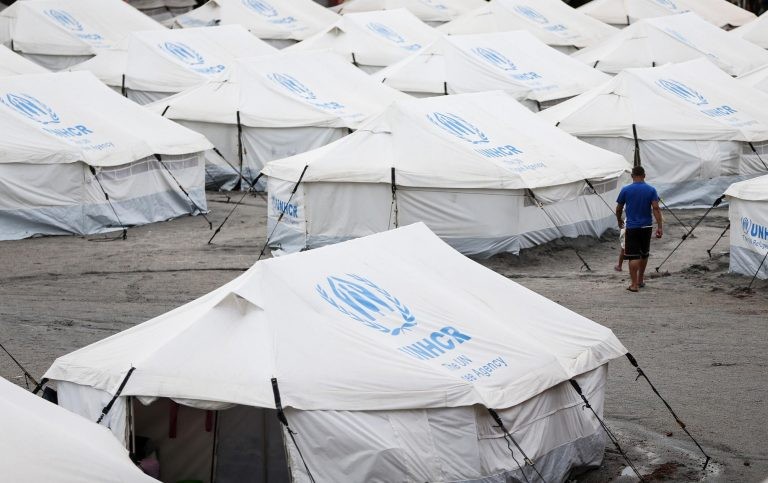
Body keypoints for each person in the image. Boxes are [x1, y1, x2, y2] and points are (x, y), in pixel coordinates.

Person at [615, 166, 663, 292]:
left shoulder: (626, 190)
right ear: (644, 175)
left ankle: (634, 284)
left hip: (632, 227)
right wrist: (660, 226)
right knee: (644, 254)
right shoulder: (651, 190)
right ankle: (641, 280)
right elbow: (656, 208)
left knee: (633, 256)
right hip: (647, 226)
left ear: (632, 176)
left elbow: (619, 208)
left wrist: (619, 220)